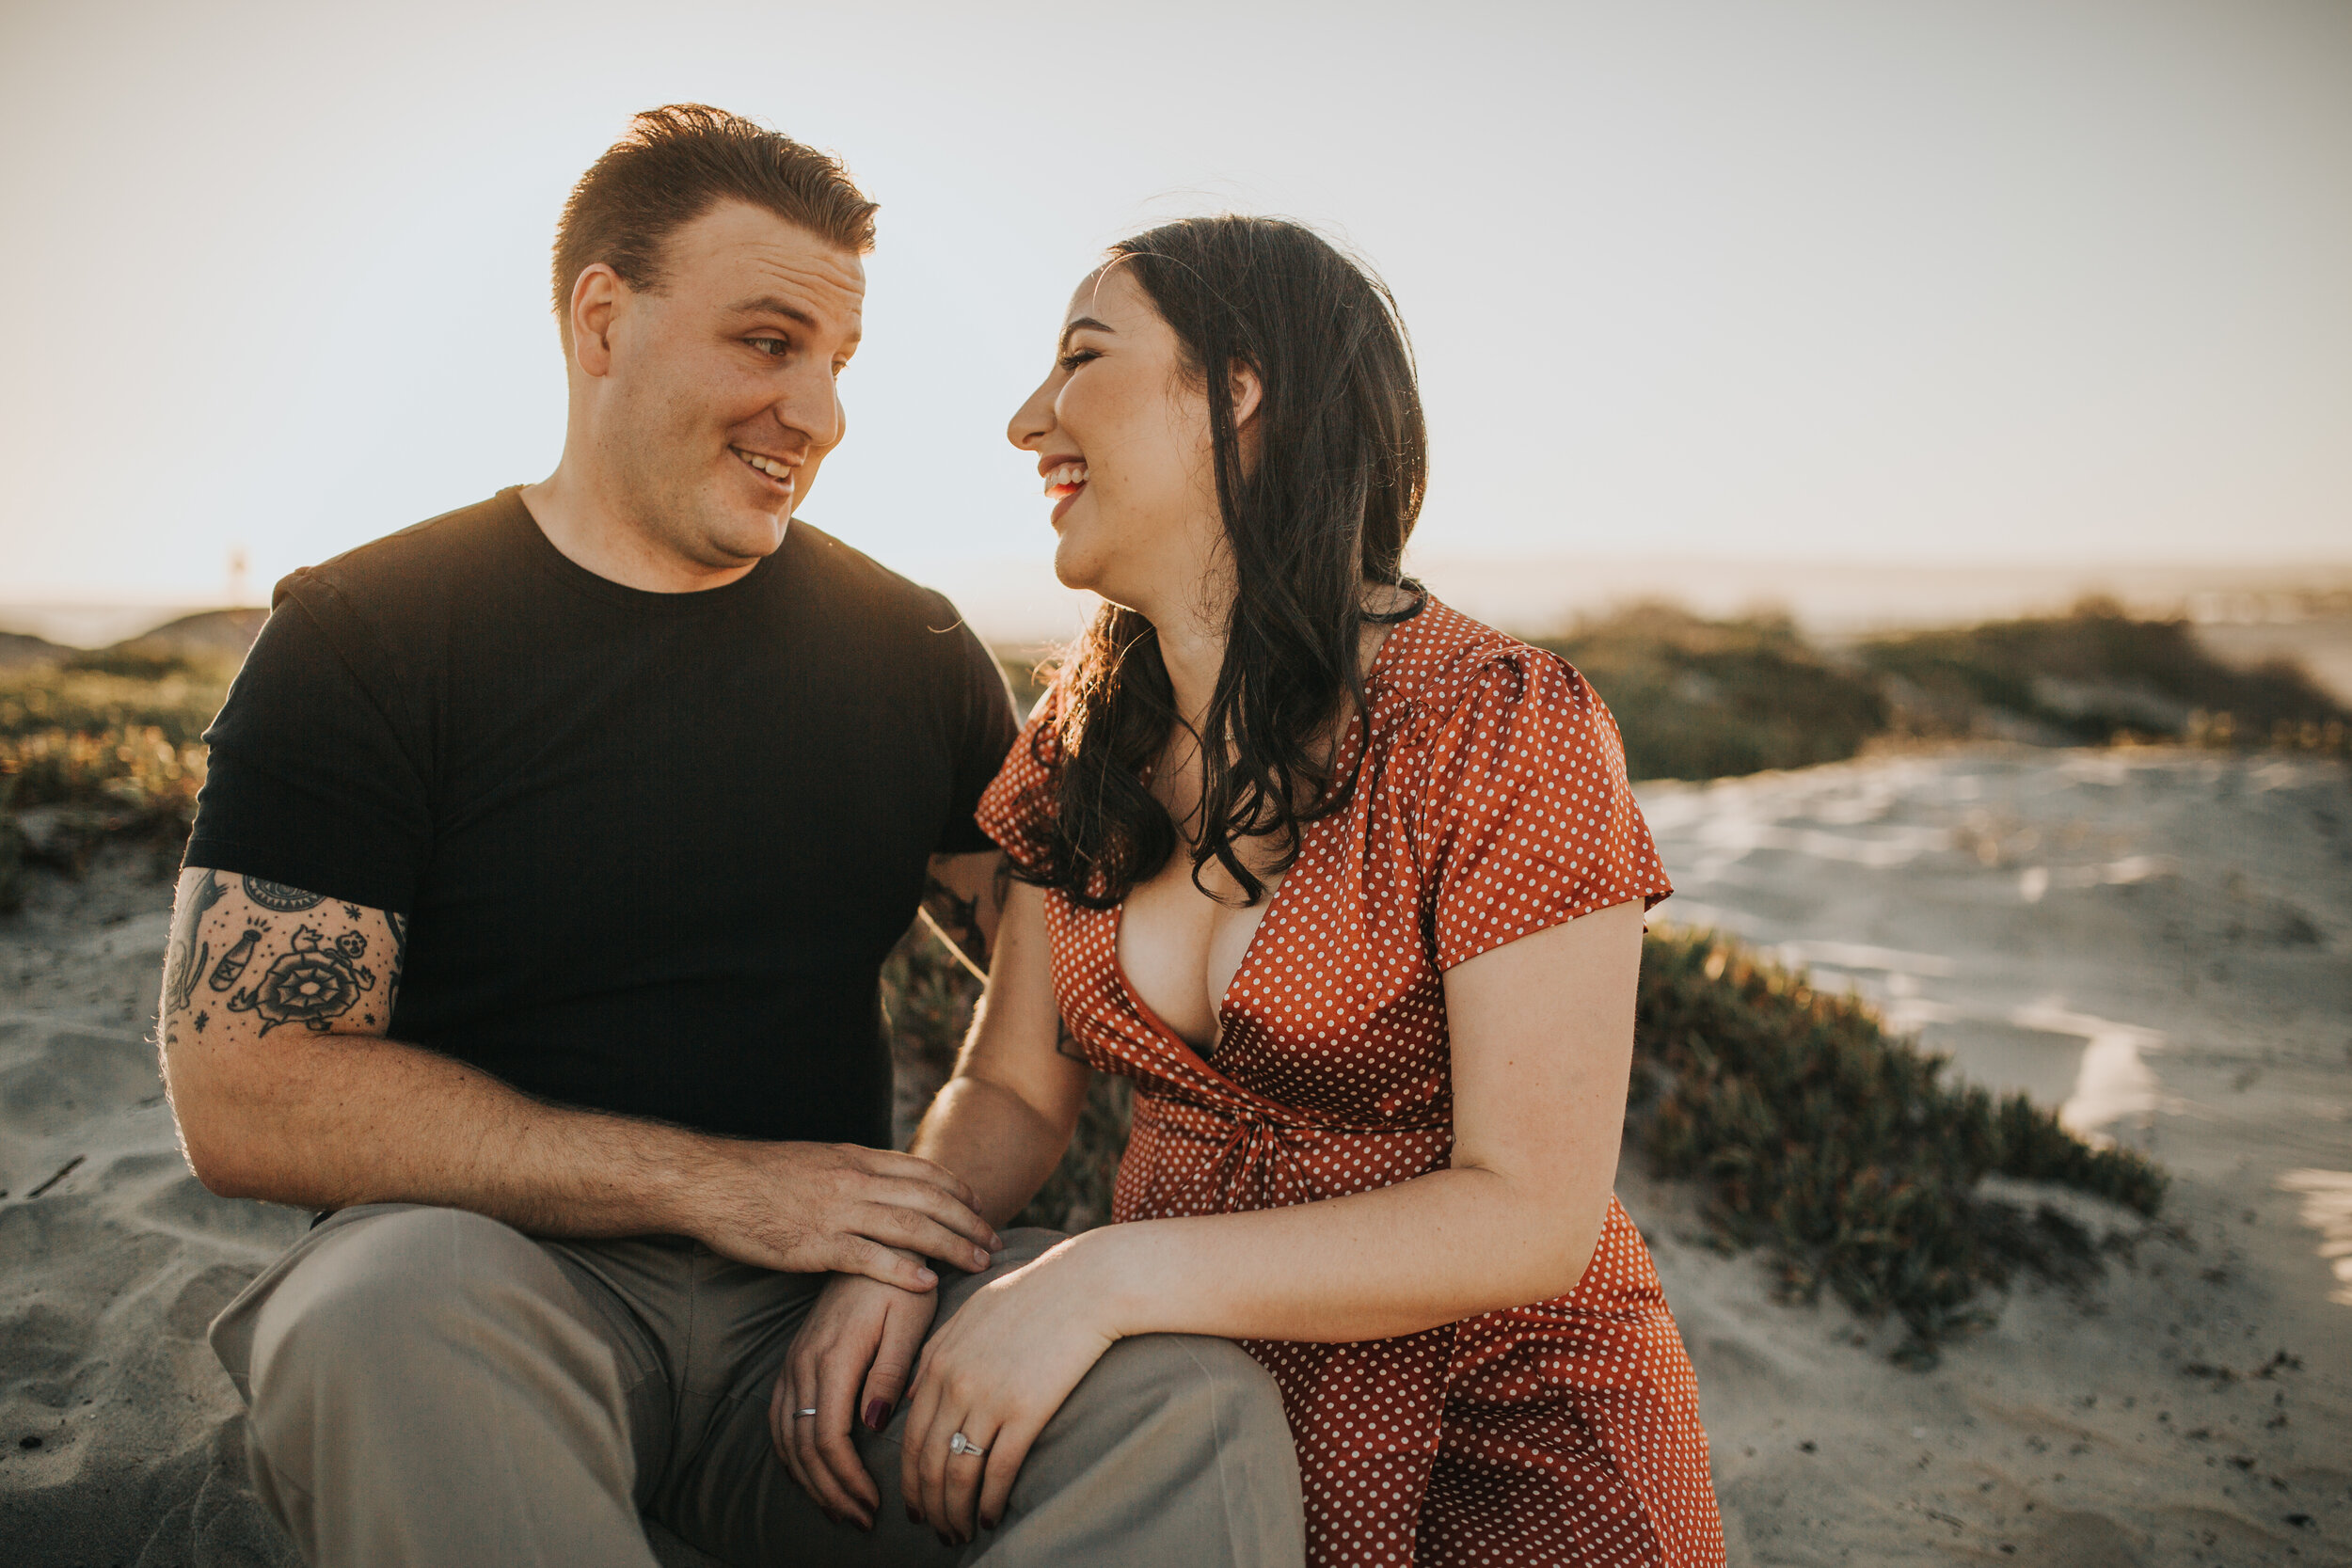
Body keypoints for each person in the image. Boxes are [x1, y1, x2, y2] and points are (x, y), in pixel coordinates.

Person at [159, 106, 1303, 1568]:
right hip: (488, 1295)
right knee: (370, 1315)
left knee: (1181, 1402)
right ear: (601, 322)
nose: (817, 414)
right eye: (769, 345)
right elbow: (244, 1091)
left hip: (823, 1347)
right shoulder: (365, 637)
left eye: (836, 365)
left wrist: (904, 1245)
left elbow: (1052, 997)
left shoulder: (907, 649)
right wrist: (720, 1186)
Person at [778, 217, 1726, 1567]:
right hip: (1188, 1422)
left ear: (1240, 389)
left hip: (1502, 1436)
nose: (1025, 419)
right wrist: (901, 1255)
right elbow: (1011, 1089)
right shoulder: (1079, 737)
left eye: (1081, 358)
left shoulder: (1498, 727)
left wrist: (1103, 1280)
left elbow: (1531, 1210)